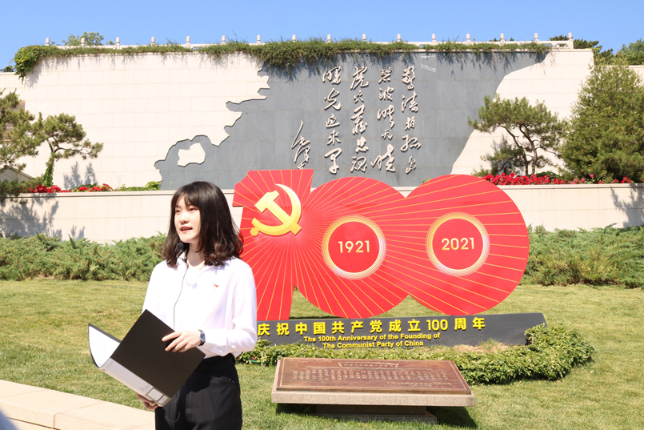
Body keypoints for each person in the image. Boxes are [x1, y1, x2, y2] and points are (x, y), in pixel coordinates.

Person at [138, 181, 257, 430]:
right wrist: (145, 383)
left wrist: (202, 337)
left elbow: (247, 337)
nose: (182, 218)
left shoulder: (237, 271)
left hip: (214, 384)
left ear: (213, 214)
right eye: (177, 211)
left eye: (192, 209)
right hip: (169, 382)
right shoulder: (163, 271)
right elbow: (147, 332)